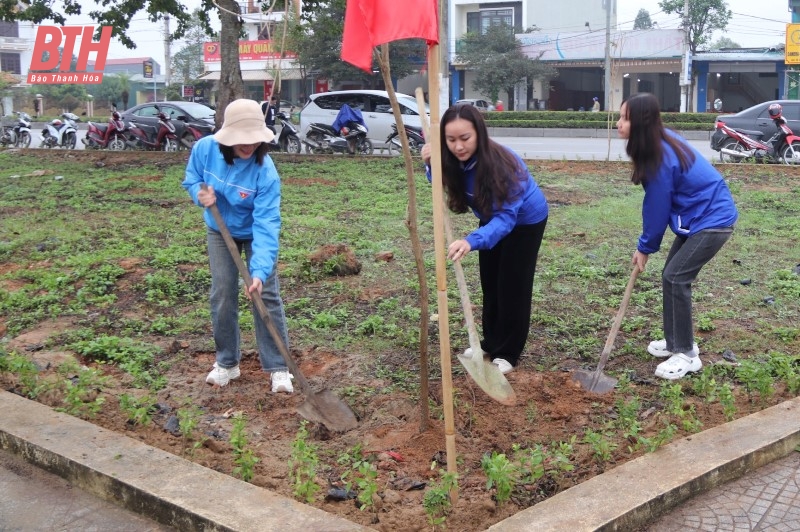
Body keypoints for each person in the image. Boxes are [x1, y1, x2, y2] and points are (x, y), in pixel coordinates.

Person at [617, 93, 738, 380]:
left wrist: (645, 247)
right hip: (698, 218)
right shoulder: (658, 142)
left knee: (675, 277)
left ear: (642, 123)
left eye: (625, 118)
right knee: (671, 276)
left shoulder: (659, 157)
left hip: (712, 220)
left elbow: (657, 208)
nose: (619, 124)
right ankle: (675, 343)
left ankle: (686, 354)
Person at [421, 104, 549, 374]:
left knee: (512, 285)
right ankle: (490, 342)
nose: (458, 147)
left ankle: (509, 351)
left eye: (464, 138)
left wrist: (471, 241)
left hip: (524, 220)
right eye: (451, 139)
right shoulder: (454, 158)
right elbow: (439, 182)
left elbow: (506, 220)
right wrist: (431, 164)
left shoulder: (504, 164)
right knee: (490, 282)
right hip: (492, 217)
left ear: (478, 133)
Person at [182, 98, 294, 393]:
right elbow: (192, 178)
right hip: (219, 230)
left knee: (265, 293)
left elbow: (267, 224)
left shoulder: (266, 173)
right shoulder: (205, 149)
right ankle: (227, 363)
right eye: (242, 139)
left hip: (255, 233)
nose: (248, 146)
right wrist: (199, 193)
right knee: (222, 294)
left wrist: (258, 271)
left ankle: (279, 367)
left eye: (254, 140)